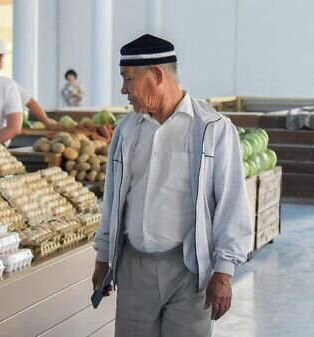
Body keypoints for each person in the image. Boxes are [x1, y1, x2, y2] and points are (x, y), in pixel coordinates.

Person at [92, 34, 254, 337]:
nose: (123, 90)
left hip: (190, 270)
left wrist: (224, 271)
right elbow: (112, 199)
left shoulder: (212, 129)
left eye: (128, 79)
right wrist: (104, 256)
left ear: (157, 75)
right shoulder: (127, 131)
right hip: (134, 269)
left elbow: (232, 203)